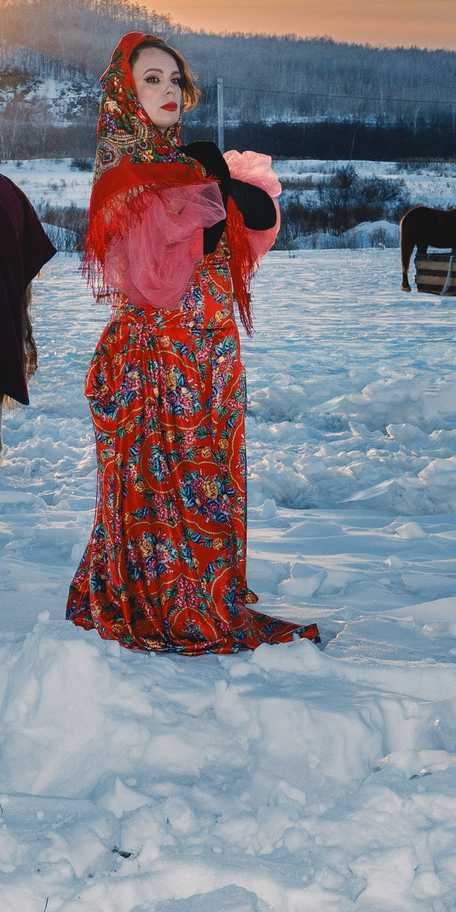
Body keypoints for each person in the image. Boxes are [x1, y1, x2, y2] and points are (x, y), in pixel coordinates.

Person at [65, 32, 319, 653]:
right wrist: (209, 192)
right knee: (168, 486)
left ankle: (206, 594)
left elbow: (251, 234)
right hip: (157, 361)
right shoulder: (124, 178)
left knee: (209, 481)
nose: (168, 91)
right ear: (126, 92)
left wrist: (224, 189)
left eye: (174, 79)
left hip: (209, 354)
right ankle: (168, 605)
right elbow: (154, 276)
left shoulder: (186, 165)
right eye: (151, 79)